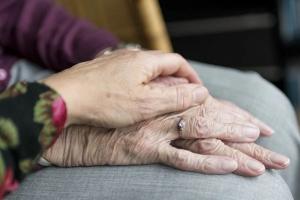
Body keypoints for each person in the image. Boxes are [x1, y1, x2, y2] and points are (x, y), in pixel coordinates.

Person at [0, 0, 298, 199]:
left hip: (19, 72)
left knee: (264, 106)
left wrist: (112, 58)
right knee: (246, 191)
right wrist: (63, 132)